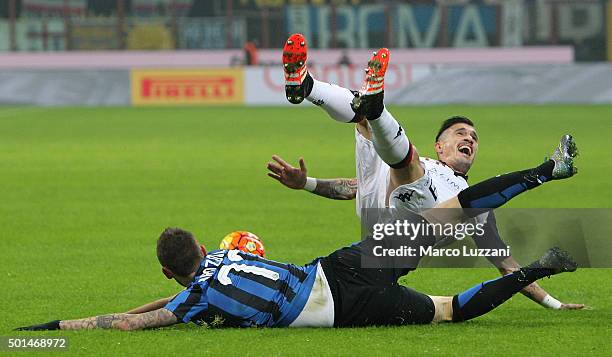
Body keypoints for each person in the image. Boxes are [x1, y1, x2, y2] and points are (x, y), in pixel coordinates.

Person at [16, 158, 580, 331]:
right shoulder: (228, 254)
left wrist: (49, 335)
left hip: (342, 307)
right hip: (337, 265)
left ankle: (539, 268)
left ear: (170, 277)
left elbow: (130, 322)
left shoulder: (193, 302)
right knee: (445, 214)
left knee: (450, 311)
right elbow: (163, 302)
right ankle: (542, 171)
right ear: (200, 247)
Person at [275, 33, 584, 310]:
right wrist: (307, 183)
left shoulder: (478, 211)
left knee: (405, 162)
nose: (469, 139)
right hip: (379, 207)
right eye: (460, 133)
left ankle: (370, 104)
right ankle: (307, 85)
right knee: (366, 121)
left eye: (474, 138)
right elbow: (351, 188)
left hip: (409, 230)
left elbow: (507, 266)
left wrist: (553, 303)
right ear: (440, 146)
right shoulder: (425, 164)